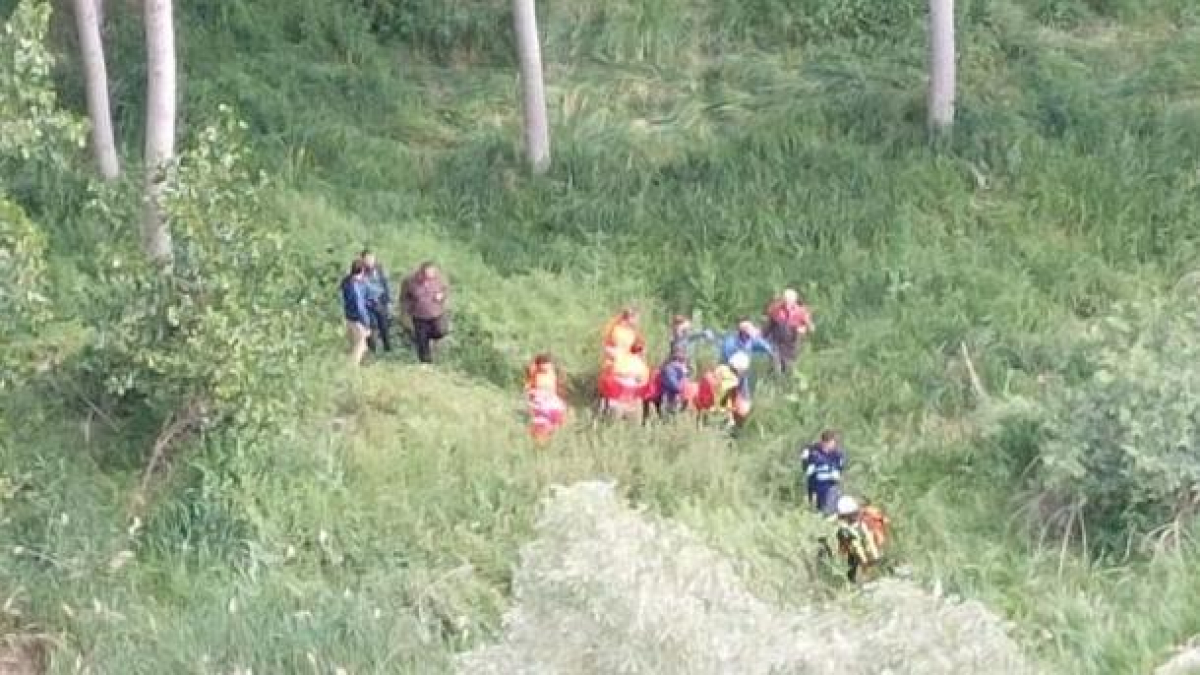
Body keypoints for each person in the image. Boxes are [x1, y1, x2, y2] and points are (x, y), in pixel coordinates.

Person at [401, 261, 449, 364]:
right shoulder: (411, 281)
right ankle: (425, 362)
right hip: (419, 315)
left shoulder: (439, 279)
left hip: (436, 313)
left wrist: (442, 296)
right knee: (422, 341)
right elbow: (404, 297)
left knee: (441, 331)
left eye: (433, 271)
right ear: (422, 271)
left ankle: (429, 337)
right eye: (428, 271)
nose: (431, 274)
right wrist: (407, 310)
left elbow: (445, 290)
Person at [834, 495, 887, 583]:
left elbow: (868, 537)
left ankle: (862, 574)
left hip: (860, 547)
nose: (852, 517)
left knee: (855, 555)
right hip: (857, 548)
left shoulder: (860, 522)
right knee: (854, 558)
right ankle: (862, 574)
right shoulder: (858, 521)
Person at [718, 320, 774, 399]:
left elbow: (760, 343)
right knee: (725, 397)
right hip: (728, 374)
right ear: (743, 334)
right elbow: (725, 362)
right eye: (748, 335)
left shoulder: (749, 341)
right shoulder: (730, 344)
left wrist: (770, 352)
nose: (750, 337)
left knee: (744, 398)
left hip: (742, 375)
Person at [763, 288, 813, 375]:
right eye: (786, 299)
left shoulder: (801, 311)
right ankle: (774, 376)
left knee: (788, 365)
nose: (787, 302)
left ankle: (785, 377)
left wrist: (803, 328)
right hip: (776, 340)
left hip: (792, 342)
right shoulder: (777, 309)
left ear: (795, 300)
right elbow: (769, 320)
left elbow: (811, 327)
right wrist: (763, 334)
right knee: (776, 363)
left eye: (790, 300)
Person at [799, 430, 845, 514]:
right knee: (814, 509)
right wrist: (813, 466)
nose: (833, 445)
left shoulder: (837, 454)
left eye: (834, 443)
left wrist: (835, 473)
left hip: (830, 486)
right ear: (824, 442)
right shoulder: (812, 451)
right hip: (815, 485)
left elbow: (839, 470)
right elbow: (805, 468)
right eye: (831, 443)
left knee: (829, 509)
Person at [525, 353, 567, 443]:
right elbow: (529, 390)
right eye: (541, 370)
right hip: (542, 403)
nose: (546, 367)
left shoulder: (552, 374)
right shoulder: (535, 377)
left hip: (550, 403)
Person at [644, 347, 693, 420]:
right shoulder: (678, 366)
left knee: (667, 408)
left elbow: (662, 375)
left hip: (665, 392)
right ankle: (668, 419)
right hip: (673, 391)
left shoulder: (666, 365)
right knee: (671, 408)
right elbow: (687, 374)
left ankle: (664, 419)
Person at [360, 250, 392, 353]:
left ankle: (388, 349)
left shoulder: (379, 269)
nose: (370, 261)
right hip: (367, 303)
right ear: (363, 260)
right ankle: (372, 350)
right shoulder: (360, 271)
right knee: (371, 326)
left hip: (380, 300)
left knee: (384, 326)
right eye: (367, 259)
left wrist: (388, 300)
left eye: (371, 258)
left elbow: (385, 284)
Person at [341, 259, 371, 366]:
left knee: (356, 345)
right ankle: (352, 367)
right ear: (362, 270)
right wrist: (366, 323)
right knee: (359, 346)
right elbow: (360, 307)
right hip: (357, 320)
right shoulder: (355, 287)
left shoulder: (346, 282)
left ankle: (363, 365)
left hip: (348, 318)